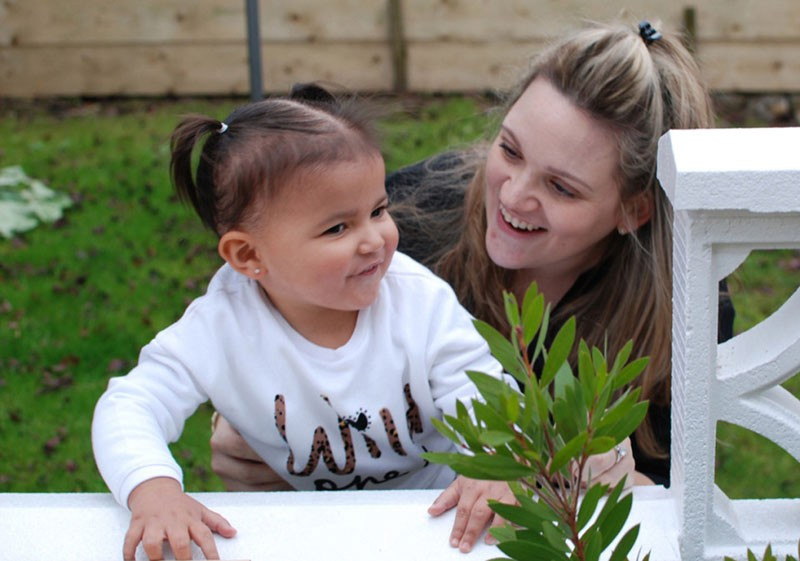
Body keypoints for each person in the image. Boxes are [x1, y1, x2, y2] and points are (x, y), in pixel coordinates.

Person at [208, 18, 736, 553]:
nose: (513, 196)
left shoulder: (688, 306)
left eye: (561, 187)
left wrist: (617, 474)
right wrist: (260, 433)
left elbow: (675, 498)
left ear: (633, 210)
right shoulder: (404, 223)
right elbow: (269, 313)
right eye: (510, 150)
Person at [91, 84, 508, 561]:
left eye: (378, 210)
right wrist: (153, 489)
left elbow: (481, 388)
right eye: (338, 227)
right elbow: (130, 404)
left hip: (437, 516)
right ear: (248, 255)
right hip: (303, 526)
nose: (375, 240)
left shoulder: (419, 302)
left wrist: (493, 462)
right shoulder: (221, 327)